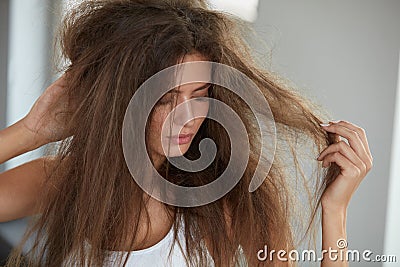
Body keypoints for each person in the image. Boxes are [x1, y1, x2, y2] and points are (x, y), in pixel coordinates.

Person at [0, 0, 373, 266]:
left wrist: (334, 211)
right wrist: (30, 131)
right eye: (165, 99)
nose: (187, 118)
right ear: (118, 102)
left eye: (200, 94)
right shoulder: (64, 180)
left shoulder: (228, 200)